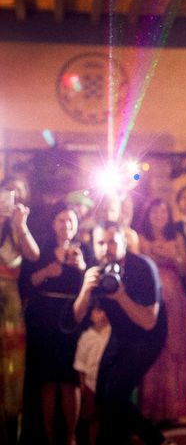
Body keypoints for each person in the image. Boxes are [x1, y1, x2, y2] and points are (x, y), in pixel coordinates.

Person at [69, 222, 167, 445]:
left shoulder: (142, 266)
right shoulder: (97, 269)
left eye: (112, 241)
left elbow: (149, 322)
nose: (107, 248)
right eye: (100, 243)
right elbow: (73, 319)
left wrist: (121, 297)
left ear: (124, 242)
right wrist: (85, 290)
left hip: (147, 338)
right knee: (103, 396)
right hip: (120, 334)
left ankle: (156, 440)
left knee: (114, 393)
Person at [19, 203, 86, 445]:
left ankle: (70, 436)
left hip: (71, 317)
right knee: (48, 379)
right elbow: (27, 283)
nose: (66, 225)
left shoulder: (83, 249)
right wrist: (47, 272)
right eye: (61, 220)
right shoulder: (42, 249)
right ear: (53, 223)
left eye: (70, 221)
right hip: (44, 317)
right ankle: (48, 435)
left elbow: (95, 284)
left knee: (69, 380)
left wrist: (82, 268)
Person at [138, 199, 186, 424]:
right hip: (150, 297)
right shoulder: (140, 239)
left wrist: (173, 258)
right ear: (147, 214)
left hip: (175, 300)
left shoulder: (176, 238)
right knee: (153, 348)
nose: (159, 216)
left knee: (174, 347)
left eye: (163, 211)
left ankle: (172, 408)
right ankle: (150, 408)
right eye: (155, 211)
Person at [0, 183, 39, 445]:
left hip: (9, 308)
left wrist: (20, 225)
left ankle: (9, 428)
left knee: (11, 369)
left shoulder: (17, 228)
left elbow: (33, 255)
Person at [74, 303, 111, 445]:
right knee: (92, 418)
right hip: (91, 386)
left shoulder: (112, 334)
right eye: (98, 311)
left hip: (108, 385)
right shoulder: (86, 337)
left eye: (105, 311)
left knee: (108, 419)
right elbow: (80, 365)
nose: (102, 315)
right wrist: (83, 388)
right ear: (90, 315)